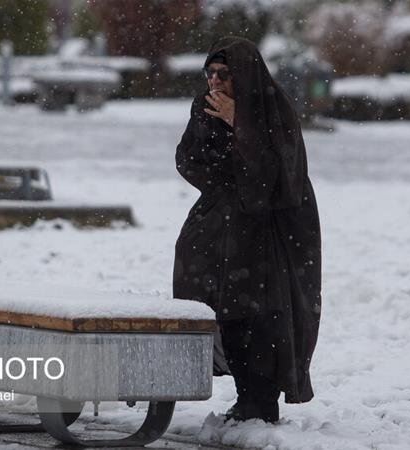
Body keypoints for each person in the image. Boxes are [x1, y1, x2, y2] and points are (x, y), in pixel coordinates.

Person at [173, 36, 321, 423]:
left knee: (264, 314)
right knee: (225, 308)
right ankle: (244, 395)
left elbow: (277, 176)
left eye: (225, 74)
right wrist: (224, 183)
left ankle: (261, 400)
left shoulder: (274, 108)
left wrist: (240, 123)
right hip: (225, 224)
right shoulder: (206, 106)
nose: (216, 82)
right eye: (211, 73)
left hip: (273, 231)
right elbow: (189, 157)